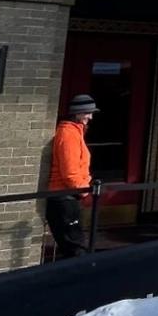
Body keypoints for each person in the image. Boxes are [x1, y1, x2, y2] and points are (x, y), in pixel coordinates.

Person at [45, 94, 99, 258]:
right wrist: (84, 190)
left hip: (67, 196)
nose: (90, 117)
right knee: (75, 248)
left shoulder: (75, 133)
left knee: (74, 245)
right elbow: (70, 172)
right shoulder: (68, 134)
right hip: (64, 197)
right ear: (77, 113)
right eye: (87, 113)